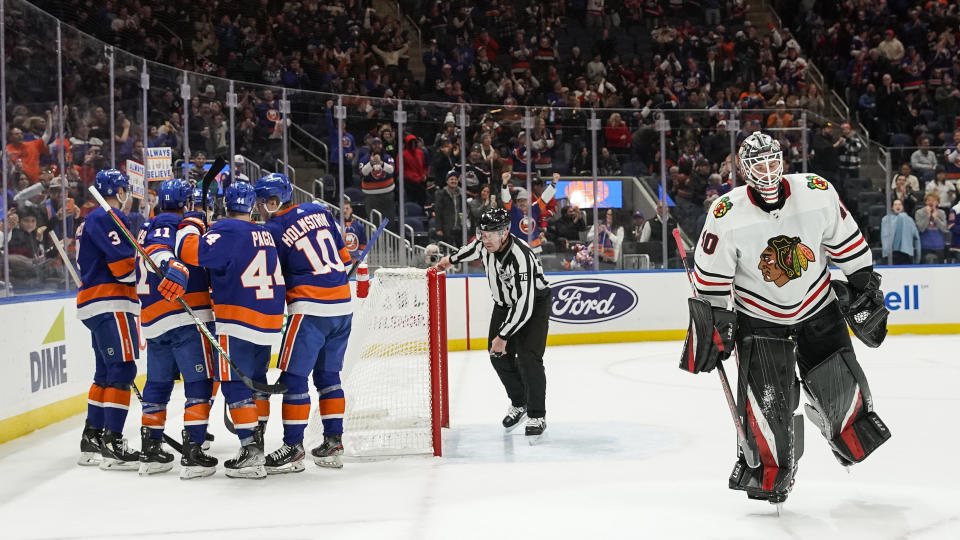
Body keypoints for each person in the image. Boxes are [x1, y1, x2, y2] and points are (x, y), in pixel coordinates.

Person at [684, 132, 891, 505]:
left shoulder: (816, 191)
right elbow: (711, 282)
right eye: (758, 164)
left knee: (840, 386)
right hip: (759, 319)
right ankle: (770, 471)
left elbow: (848, 244)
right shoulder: (725, 213)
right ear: (744, 170)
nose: (767, 171)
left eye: (772, 161)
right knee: (768, 404)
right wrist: (714, 325)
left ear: (784, 160)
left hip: (817, 306)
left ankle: (848, 436)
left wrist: (863, 285)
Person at [174, 180, 286, 479]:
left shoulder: (225, 229)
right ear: (252, 206)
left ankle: (250, 449)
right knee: (257, 380)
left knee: (234, 385)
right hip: (270, 318)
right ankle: (257, 442)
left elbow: (188, 252)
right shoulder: (264, 231)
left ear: (226, 205)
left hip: (237, 316)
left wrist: (192, 220)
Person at [253, 173, 356, 472]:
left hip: (310, 309)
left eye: (261, 203)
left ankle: (293, 447)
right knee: (328, 377)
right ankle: (333, 442)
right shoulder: (318, 211)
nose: (259, 208)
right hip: (343, 306)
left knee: (293, 379)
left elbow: (272, 276)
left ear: (273, 202)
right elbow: (345, 260)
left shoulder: (273, 228)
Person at [433, 208, 551, 438]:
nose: (485, 238)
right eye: (483, 233)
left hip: (533, 306)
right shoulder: (484, 243)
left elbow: (524, 305)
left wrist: (504, 335)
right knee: (497, 355)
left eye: (491, 234)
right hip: (504, 304)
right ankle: (520, 402)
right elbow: (471, 248)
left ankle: (537, 414)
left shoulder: (521, 257)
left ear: (505, 232)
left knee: (529, 358)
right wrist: (449, 260)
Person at [134, 178, 218, 479]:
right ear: (186, 203)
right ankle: (194, 450)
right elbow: (159, 250)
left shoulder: (147, 224)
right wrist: (174, 265)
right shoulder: (170, 225)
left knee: (157, 385)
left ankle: (151, 449)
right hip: (185, 315)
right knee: (199, 384)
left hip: (154, 320)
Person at [75, 169, 141, 470]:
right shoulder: (107, 217)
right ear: (119, 190)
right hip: (111, 301)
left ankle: (93, 437)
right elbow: (124, 269)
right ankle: (113, 441)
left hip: (93, 303)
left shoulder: (89, 219)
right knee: (123, 368)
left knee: (105, 372)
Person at [501, 171, 556, 254]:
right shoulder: (513, 210)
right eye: (519, 201)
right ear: (516, 202)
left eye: (524, 200)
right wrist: (504, 183)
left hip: (534, 249)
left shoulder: (534, 209)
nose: (522, 203)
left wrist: (554, 183)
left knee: (536, 267)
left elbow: (545, 198)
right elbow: (506, 199)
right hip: (517, 248)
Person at [880, 199, 921, 265]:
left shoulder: (909, 220)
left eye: (899, 204)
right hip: (891, 254)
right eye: (895, 204)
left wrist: (917, 257)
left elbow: (916, 238)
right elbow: (884, 236)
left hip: (905, 253)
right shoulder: (886, 219)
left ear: (902, 207)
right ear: (892, 207)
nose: (897, 206)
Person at [914, 193, 948, 263]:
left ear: (938, 202)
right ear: (925, 202)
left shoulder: (941, 213)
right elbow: (921, 229)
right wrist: (928, 216)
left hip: (939, 246)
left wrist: (936, 219)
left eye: (934, 200)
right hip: (924, 246)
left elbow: (944, 229)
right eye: (929, 200)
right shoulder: (919, 212)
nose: (931, 202)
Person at [434, 169, 464, 245]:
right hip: (446, 228)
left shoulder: (461, 194)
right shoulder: (441, 194)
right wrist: (439, 229)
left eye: (456, 179)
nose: (454, 181)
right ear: (447, 181)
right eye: (451, 179)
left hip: (459, 228)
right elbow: (438, 212)